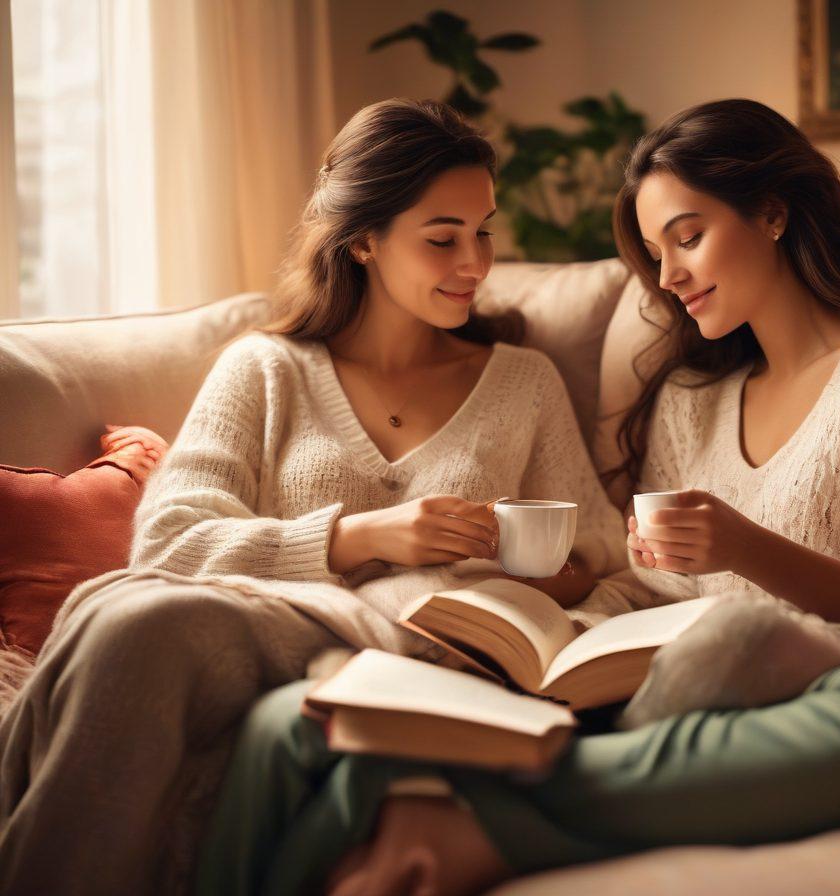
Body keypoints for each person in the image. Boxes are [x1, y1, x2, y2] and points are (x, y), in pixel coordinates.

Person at [190, 99, 840, 896]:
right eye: (656, 251)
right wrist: (557, 618)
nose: (670, 275)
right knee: (282, 722)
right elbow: (644, 584)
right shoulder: (692, 394)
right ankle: (469, 775)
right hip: (667, 703)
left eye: (688, 237)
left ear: (775, 212)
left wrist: (744, 549)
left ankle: (464, 794)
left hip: (803, 695)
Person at [0, 99, 636, 896]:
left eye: (483, 231)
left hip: (430, 649)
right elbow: (166, 543)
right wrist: (360, 537)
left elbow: (603, 551)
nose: (475, 262)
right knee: (120, 609)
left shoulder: (522, 382)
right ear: (363, 240)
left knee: (141, 619)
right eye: (443, 238)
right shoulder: (265, 370)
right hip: (274, 627)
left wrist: (542, 576)